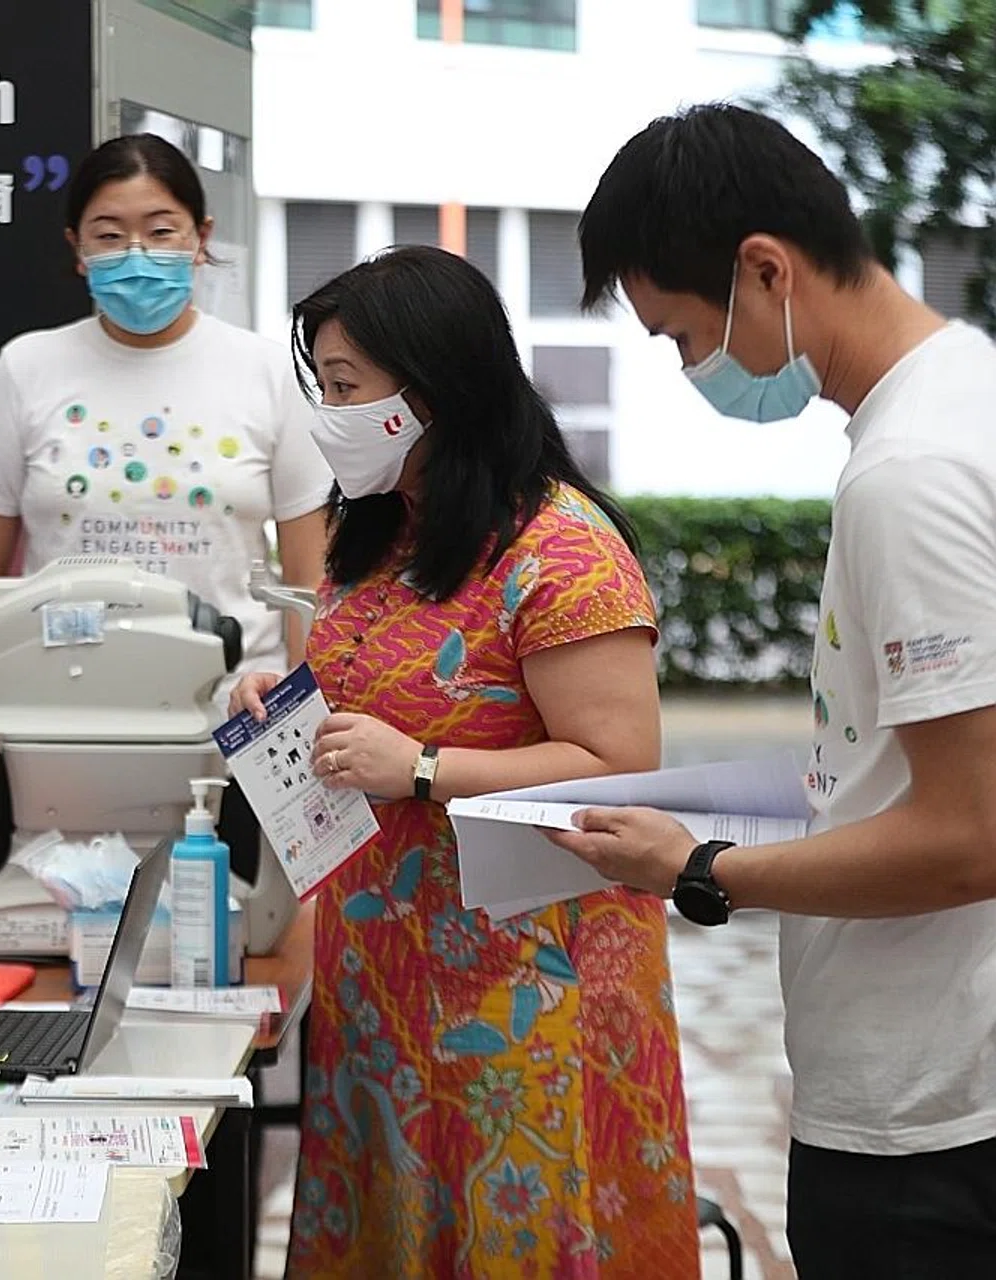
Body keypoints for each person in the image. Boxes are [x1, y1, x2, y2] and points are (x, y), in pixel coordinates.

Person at [563, 103, 996, 1277]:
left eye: (681, 333)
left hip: (929, 1113)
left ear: (767, 269)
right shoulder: (963, 394)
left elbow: (969, 834)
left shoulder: (913, 474)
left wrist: (700, 868)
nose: (690, 364)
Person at [229, 245, 697, 1276]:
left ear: (431, 386)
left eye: (346, 387)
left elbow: (620, 765)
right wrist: (282, 703)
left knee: (515, 1232)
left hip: (521, 988)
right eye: (324, 388)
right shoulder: (386, 527)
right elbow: (376, 699)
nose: (330, 412)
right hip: (385, 979)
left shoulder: (558, 549)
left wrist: (427, 768)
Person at [0, 133, 331, 862]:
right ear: (76, 246)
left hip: (234, 727)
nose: (136, 253)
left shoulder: (262, 368)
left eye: (160, 232)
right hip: (57, 729)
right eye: (109, 235)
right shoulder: (28, 368)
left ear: (202, 237)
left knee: (228, 942)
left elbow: (310, 584)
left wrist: (298, 726)